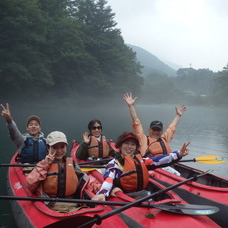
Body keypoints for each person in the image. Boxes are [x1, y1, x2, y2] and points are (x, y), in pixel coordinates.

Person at [92, 131, 190, 201]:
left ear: (136, 148)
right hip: (126, 197)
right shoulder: (114, 164)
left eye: (133, 145)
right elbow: (108, 179)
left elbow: (159, 160)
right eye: (126, 143)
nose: (129, 147)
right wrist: (102, 193)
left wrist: (178, 154)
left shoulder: (141, 160)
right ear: (120, 146)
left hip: (142, 194)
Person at [26, 131, 101, 213]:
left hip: (74, 204)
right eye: (55, 147)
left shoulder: (71, 163)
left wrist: (104, 189)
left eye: (62, 147)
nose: (59, 151)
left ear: (66, 147)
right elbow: (30, 184)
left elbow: (86, 179)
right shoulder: (42, 165)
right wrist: (45, 164)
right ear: (48, 148)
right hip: (51, 207)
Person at [123, 92, 186, 157]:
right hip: (149, 166)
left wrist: (178, 115)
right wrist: (131, 106)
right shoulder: (143, 139)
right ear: (149, 130)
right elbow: (136, 123)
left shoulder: (164, 138)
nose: (156, 132)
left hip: (166, 165)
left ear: (161, 131)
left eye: (158, 130)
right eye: (154, 129)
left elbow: (172, 127)